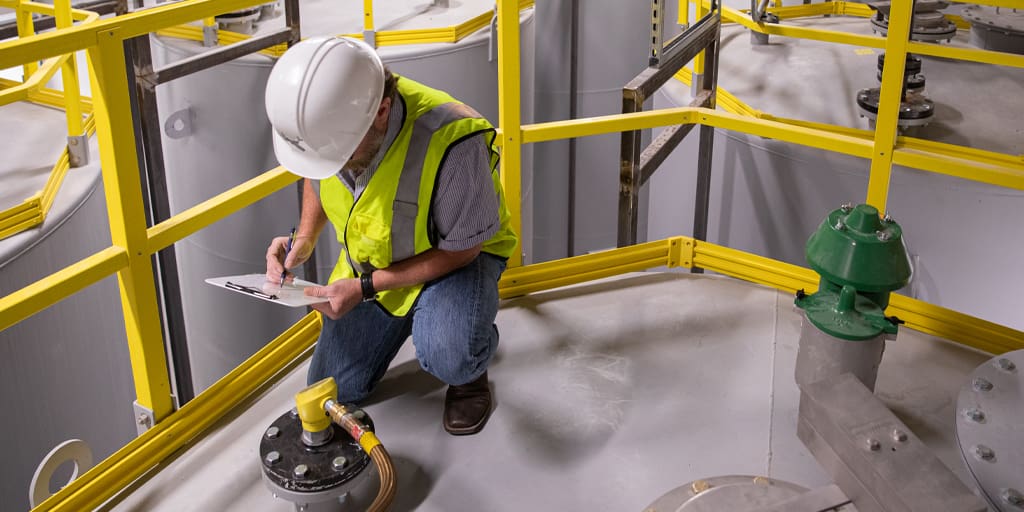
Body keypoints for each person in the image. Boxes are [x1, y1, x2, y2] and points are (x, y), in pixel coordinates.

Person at [263, 36, 517, 436]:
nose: (333, 164)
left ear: (382, 111)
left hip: (455, 260)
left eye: (338, 154)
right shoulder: (338, 128)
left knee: (450, 352)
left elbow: (464, 249)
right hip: (378, 262)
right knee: (338, 386)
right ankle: (426, 321)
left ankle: (469, 360)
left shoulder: (453, 140)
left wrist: (365, 288)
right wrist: (305, 239)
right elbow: (318, 175)